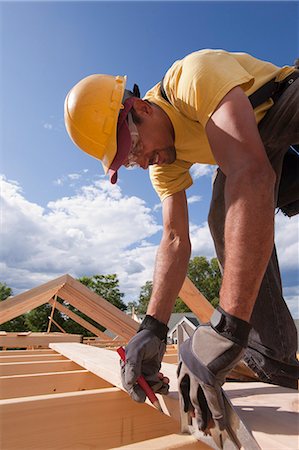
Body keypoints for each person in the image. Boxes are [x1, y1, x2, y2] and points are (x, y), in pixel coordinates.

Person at [64, 49, 299, 431]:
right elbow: (174, 239)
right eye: (127, 160)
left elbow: (250, 173)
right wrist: (152, 328)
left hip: (285, 103)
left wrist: (226, 327)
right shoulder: (164, 162)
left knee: (237, 189)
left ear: (142, 108)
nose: (140, 160)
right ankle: (272, 355)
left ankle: (238, 336)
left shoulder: (192, 76)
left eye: (134, 147)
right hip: (263, 144)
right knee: (223, 214)